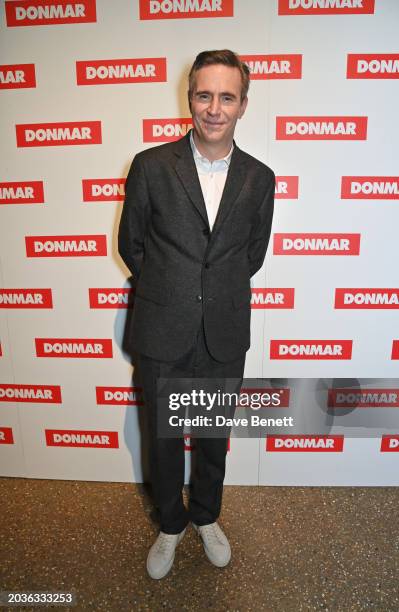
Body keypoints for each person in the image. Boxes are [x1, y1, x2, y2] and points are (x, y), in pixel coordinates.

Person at [118, 49, 275, 579]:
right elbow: (132, 245)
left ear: (243, 105)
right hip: (163, 327)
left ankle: (206, 516)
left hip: (223, 332)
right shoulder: (150, 166)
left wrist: (211, 294)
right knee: (162, 437)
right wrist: (174, 291)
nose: (214, 108)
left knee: (211, 437)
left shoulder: (261, 177)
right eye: (204, 95)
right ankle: (169, 524)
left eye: (226, 97)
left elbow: (252, 254)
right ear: (190, 99)